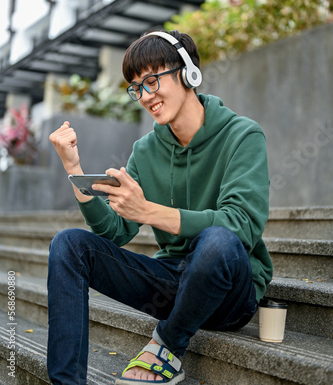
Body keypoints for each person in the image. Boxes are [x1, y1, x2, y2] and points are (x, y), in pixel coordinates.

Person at [47, 29, 273, 385]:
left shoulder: (242, 135)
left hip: (229, 293)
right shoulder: (146, 150)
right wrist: (74, 169)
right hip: (171, 284)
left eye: (152, 80)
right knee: (68, 245)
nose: (145, 96)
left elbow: (242, 225)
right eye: (137, 87)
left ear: (187, 73)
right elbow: (116, 232)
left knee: (218, 240)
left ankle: (165, 344)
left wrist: (148, 211)